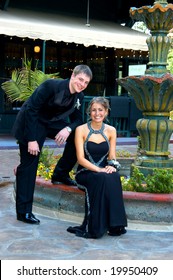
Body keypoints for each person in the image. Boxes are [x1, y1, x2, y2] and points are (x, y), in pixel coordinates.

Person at [12, 64, 93, 224]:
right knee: (30, 166)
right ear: (73, 76)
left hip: (50, 123)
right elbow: (31, 110)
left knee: (78, 135)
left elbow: (78, 120)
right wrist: (32, 139)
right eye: (80, 80)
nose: (82, 84)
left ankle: (60, 174)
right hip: (31, 123)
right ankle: (24, 212)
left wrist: (68, 129)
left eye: (86, 82)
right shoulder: (50, 85)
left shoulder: (79, 96)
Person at [67, 97, 127, 238]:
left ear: (106, 112)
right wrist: (99, 169)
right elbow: (80, 159)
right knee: (101, 177)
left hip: (102, 171)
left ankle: (115, 225)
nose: (97, 113)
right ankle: (96, 227)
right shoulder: (81, 130)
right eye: (94, 110)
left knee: (114, 177)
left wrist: (112, 167)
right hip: (85, 171)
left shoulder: (111, 130)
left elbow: (112, 157)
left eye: (100, 110)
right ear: (89, 112)